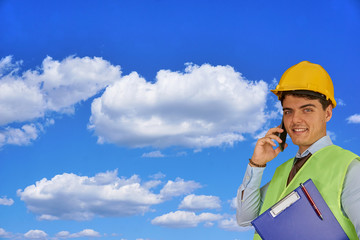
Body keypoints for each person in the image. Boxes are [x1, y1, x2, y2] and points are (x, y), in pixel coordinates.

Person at [236, 61, 360, 240]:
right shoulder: (283, 172)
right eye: (288, 111)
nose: (295, 120)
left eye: (307, 110)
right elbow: (245, 219)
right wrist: (257, 164)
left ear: (327, 113)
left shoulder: (349, 167)